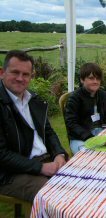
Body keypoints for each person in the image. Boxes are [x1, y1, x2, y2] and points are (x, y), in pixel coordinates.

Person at [0, 50, 68, 203]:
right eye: (15, 72)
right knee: (57, 196)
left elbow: (49, 132)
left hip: (46, 160)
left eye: (26, 74)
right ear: (2, 73)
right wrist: (40, 168)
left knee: (87, 179)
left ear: (31, 76)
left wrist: (59, 154)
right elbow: (1, 155)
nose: (20, 78)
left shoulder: (34, 99)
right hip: (10, 173)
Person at [64, 63, 106, 154]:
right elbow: (71, 123)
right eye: (91, 78)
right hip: (81, 138)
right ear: (82, 79)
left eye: (98, 78)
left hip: (102, 133)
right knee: (91, 156)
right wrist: (90, 138)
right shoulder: (74, 98)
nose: (95, 81)